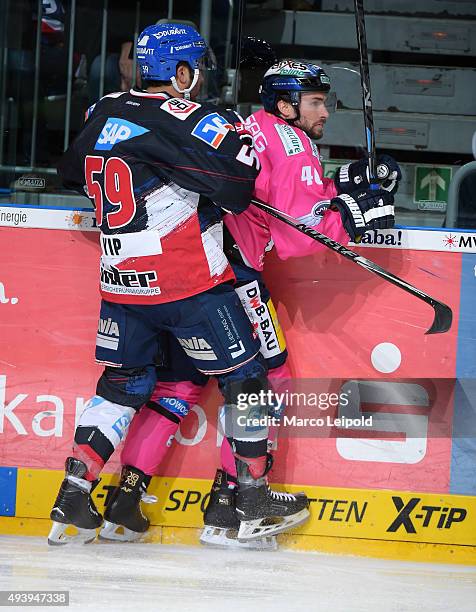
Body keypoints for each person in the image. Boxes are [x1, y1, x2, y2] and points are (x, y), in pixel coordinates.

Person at [98, 60, 400, 547]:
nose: (325, 111)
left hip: (191, 270)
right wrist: (354, 212)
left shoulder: (251, 124)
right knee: (267, 383)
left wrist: (343, 185)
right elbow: (302, 235)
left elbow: (285, 194)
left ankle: (123, 503)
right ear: (287, 105)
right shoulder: (295, 142)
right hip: (234, 278)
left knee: (180, 385)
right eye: (317, 102)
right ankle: (231, 509)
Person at [48, 26, 311, 545]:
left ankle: (73, 493)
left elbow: (70, 171)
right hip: (187, 283)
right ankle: (254, 498)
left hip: (121, 283)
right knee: (249, 379)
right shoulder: (190, 117)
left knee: (122, 384)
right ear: (183, 72)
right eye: (198, 68)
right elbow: (237, 187)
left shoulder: (102, 108)